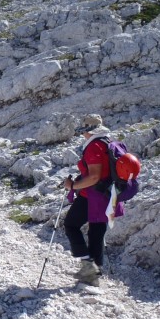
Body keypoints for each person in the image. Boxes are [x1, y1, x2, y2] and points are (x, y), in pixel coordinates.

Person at [61, 115, 112, 286]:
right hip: (107, 195)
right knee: (96, 232)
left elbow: (94, 176)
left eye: (83, 129)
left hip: (92, 196)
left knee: (71, 225)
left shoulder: (94, 146)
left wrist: (73, 185)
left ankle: (88, 265)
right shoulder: (107, 142)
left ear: (87, 130)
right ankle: (94, 275)